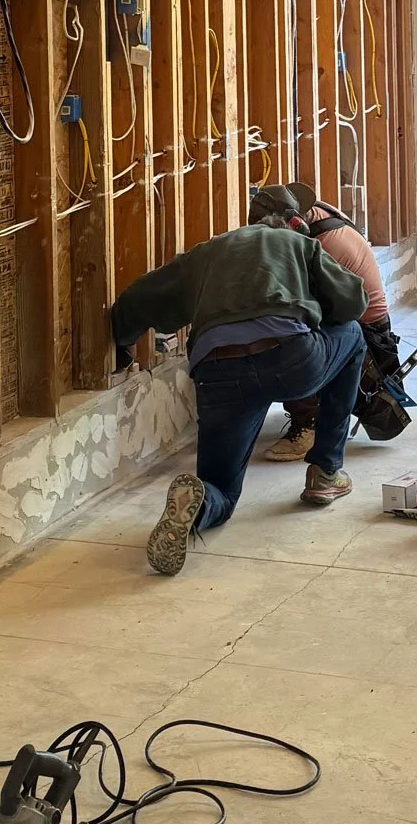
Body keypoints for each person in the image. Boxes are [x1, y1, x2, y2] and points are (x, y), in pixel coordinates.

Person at [111, 217, 370, 575]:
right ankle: (326, 472)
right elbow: (353, 302)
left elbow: (139, 299)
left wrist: (121, 345)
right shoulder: (299, 244)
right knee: (353, 335)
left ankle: (200, 505)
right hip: (290, 358)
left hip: (218, 371)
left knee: (221, 488)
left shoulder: (207, 254)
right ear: (289, 223)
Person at [247, 181, 391, 461]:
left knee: (287, 338)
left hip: (367, 335)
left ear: (295, 221)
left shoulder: (320, 245)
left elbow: (311, 308)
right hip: (363, 322)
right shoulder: (321, 213)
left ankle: (308, 426)